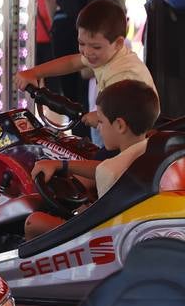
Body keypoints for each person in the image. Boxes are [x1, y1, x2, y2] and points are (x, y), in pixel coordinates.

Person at [24, 80, 159, 238]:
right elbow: (101, 168)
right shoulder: (151, 149)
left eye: (101, 122)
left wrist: (85, 211)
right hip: (141, 228)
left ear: (120, 125)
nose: (98, 128)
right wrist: (61, 164)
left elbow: (98, 221)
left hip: (110, 239)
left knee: (34, 222)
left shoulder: (111, 172)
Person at [13, 0, 155, 128]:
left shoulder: (123, 72)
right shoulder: (107, 54)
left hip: (133, 136)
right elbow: (71, 63)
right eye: (81, 43)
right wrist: (35, 73)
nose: (87, 52)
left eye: (96, 47)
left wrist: (99, 116)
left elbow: (128, 111)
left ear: (118, 43)